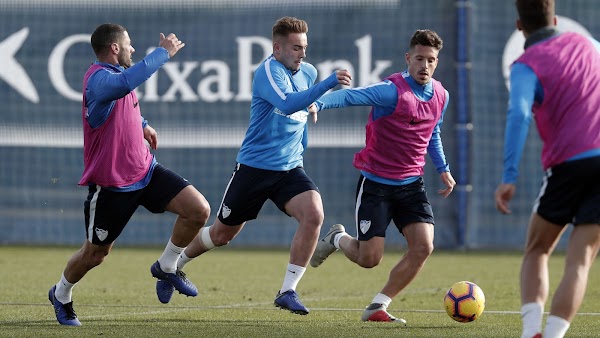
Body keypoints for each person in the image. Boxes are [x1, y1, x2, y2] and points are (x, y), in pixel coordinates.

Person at [156, 16, 352, 315]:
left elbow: (300, 110)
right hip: (254, 169)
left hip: (289, 169)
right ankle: (172, 266)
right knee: (222, 235)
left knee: (314, 214)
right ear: (277, 48)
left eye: (305, 47)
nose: (302, 53)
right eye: (296, 48)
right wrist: (327, 85)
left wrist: (307, 130)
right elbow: (288, 103)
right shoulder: (267, 71)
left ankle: (288, 290)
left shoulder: (308, 71)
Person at [48, 23, 211, 326]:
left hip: (145, 170)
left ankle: (167, 266)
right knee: (94, 255)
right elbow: (123, 85)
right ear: (114, 48)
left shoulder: (114, 78)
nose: (132, 49)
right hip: (112, 186)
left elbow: (125, 100)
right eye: (129, 44)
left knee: (198, 210)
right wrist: (163, 53)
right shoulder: (98, 79)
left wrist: (143, 123)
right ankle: (61, 293)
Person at [307, 29, 455, 323]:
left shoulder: (441, 95)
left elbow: (433, 132)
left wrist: (443, 169)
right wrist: (318, 103)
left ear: (437, 62)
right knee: (369, 259)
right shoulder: (392, 91)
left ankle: (378, 305)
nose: (424, 65)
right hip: (376, 185)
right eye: (419, 59)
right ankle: (337, 239)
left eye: (431, 60)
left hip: (412, 185)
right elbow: (351, 96)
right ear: (408, 58)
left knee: (424, 247)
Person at [494, 1, 600, 337]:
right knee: (581, 258)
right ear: (555, 19)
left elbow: (520, 115)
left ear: (519, 26)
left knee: (537, 249)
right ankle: (553, 335)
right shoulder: (591, 45)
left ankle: (530, 332)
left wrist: (509, 177)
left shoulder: (525, 65)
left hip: (568, 165)